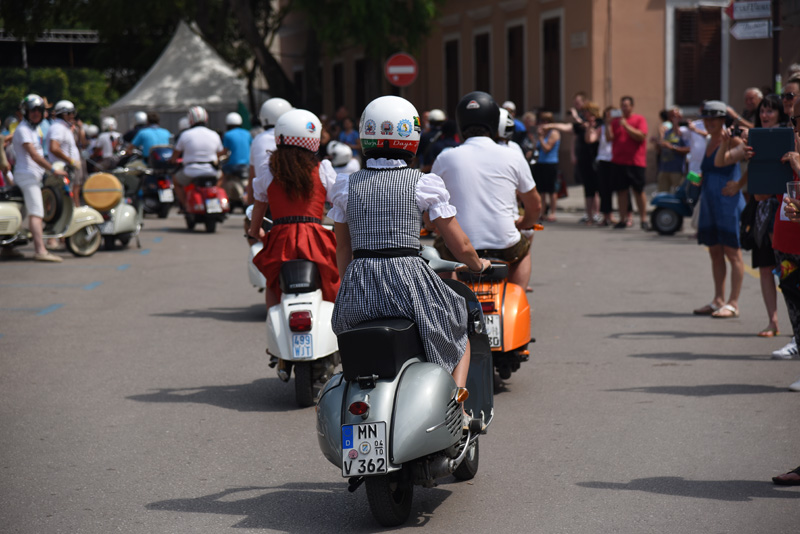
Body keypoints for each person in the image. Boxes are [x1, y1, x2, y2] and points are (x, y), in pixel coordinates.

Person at [328, 94, 490, 397]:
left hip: (359, 281)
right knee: (459, 327)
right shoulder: (421, 183)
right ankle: (457, 403)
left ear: (365, 136)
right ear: (412, 138)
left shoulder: (345, 186)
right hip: (409, 279)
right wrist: (478, 264)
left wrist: (349, 283)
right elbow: (462, 246)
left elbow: (342, 250)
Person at [432, 91, 542, 289]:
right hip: (505, 247)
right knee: (523, 252)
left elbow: (430, 210)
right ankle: (517, 295)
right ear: (493, 121)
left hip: (459, 248)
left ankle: (445, 305)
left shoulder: (445, 158)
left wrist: (433, 228)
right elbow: (535, 205)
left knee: (441, 251)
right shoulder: (513, 156)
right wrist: (524, 223)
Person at [248, 109, 340, 310]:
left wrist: (255, 231)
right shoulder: (322, 168)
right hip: (316, 239)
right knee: (331, 281)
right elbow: (340, 202)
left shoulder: (269, 170)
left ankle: (273, 325)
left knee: (273, 283)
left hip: (281, 239)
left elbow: (259, 205)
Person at [722, 94, 787, 337]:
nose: (765, 115)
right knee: (765, 265)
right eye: (762, 111)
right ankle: (773, 321)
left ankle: (793, 324)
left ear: (780, 113)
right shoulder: (754, 137)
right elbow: (728, 159)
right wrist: (728, 143)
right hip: (762, 209)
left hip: (785, 208)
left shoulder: (789, 134)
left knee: (788, 268)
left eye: (770, 111)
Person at [691, 100, 747, 318]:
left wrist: (740, 184)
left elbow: (757, 162)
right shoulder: (709, 140)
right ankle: (718, 300)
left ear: (723, 120)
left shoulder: (733, 140)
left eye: (713, 118)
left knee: (733, 253)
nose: (709, 122)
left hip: (728, 203)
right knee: (715, 252)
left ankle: (733, 303)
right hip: (710, 202)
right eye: (706, 118)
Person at [10, 94, 66, 262]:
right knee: (36, 213)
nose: (36, 113)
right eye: (32, 110)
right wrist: (53, 169)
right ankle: (40, 250)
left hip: (32, 176)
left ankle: (7, 248)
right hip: (27, 176)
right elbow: (34, 156)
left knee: (21, 213)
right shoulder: (23, 130)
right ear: (25, 112)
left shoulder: (34, 129)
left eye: (39, 110)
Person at [771, 97, 800, 362]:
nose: (795, 126)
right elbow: (760, 196)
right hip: (786, 241)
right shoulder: (785, 144)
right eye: (793, 120)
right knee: (794, 304)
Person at [169, 106, 226, 210]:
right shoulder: (214, 134)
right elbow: (220, 153)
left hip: (191, 171)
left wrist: (172, 160)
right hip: (211, 171)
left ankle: (186, 205)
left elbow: (175, 154)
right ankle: (214, 191)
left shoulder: (185, 135)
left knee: (175, 181)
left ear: (190, 119)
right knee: (221, 176)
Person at [607, 95, 649, 230]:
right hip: (619, 161)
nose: (624, 108)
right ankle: (623, 219)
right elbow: (610, 138)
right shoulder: (615, 122)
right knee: (621, 191)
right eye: (622, 105)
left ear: (632, 106)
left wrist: (626, 126)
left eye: (626, 105)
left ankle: (643, 218)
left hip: (635, 161)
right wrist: (608, 124)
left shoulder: (639, 119)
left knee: (638, 190)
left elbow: (641, 136)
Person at [246, 98, 293, 216]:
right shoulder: (293, 138)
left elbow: (253, 175)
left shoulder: (258, 139)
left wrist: (250, 206)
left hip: (264, 199)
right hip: (291, 198)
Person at [45, 100, 84, 208]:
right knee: (65, 198)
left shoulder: (62, 127)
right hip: (64, 168)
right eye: (70, 113)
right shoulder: (58, 127)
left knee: (70, 195)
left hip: (67, 168)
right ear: (63, 114)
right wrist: (70, 160)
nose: (73, 116)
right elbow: (54, 148)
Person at [588, 106, 617, 226]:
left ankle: (626, 216)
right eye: (607, 115)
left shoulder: (618, 127)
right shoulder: (602, 128)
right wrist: (590, 126)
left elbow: (611, 138)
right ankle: (606, 216)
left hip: (615, 160)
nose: (608, 118)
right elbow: (590, 139)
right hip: (603, 160)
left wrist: (610, 125)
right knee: (604, 190)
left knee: (621, 189)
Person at [534, 110, 560, 222]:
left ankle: (553, 212)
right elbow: (538, 148)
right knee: (542, 190)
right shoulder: (543, 133)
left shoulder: (554, 133)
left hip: (551, 163)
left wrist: (540, 137)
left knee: (551, 190)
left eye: (545, 121)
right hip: (541, 163)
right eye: (541, 121)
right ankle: (543, 212)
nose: (543, 123)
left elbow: (547, 148)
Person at [656, 107, 690, 193]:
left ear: (680, 117)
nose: (673, 118)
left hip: (677, 170)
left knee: (677, 194)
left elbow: (688, 149)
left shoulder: (684, 132)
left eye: (675, 116)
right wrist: (658, 144)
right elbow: (660, 150)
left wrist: (672, 147)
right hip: (664, 169)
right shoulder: (667, 132)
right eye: (671, 116)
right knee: (662, 195)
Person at [221, 112, 252, 197]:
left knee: (221, 174)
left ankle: (224, 195)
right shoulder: (247, 133)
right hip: (247, 165)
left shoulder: (227, 135)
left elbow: (224, 152)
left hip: (233, 166)